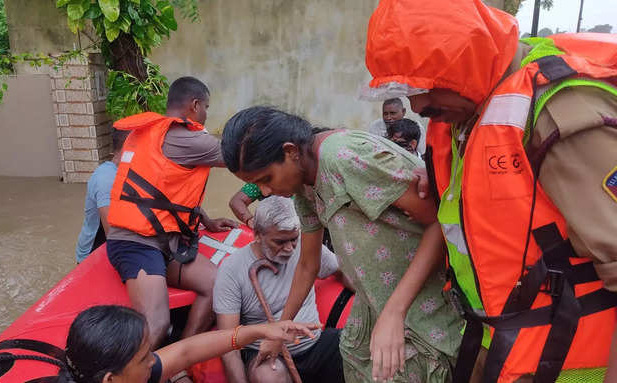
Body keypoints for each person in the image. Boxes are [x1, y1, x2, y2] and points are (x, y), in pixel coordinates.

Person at [363, 0, 617, 382]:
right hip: (503, 346)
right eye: (405, 88)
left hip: (569, 362)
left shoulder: (558, 112)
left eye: (425, 86)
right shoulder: (470, 112)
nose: (417, 105)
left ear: (467, 62)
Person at [221, 106, 463, 383]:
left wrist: (394, 313)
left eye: (266, 179)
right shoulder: (303, 183)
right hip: (375, 304)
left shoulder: (342, 158)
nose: (264, 192)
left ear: (290, 151)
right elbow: (308, 264)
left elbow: (439, 222)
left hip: (420, 305)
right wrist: (280, 330)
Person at [106, 76, 239, 383]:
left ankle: (178, 358)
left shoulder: (148, 133)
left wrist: (205, 221)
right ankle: (121, 377)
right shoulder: (188, 138)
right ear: (195, 105)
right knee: (156, 324)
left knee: (216, 283)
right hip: (136, 243)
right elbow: (240, 157)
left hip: (163, 241)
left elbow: (162, 192)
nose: (206, 114)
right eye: (206, 107)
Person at [214, 196, 349, 383]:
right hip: (266, 354)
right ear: (258, 234)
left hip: (315, 344)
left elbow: (341, 272)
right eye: (279, 242)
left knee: (358, 349)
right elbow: (229, 343)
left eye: (293, 239)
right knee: (268, 375)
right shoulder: (232, 270)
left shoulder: (305, 246)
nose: (289, 249)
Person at [61, 305, 321, 383]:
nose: (154, 360)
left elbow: (187, 351)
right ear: (111, 380)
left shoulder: (128, 376)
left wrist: (261, 330)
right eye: (144, 359)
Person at [74, 128, 130, 263]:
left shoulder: (127, 171)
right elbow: (112, 234)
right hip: (92, 253)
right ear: (127, 149)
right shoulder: (107, 179)